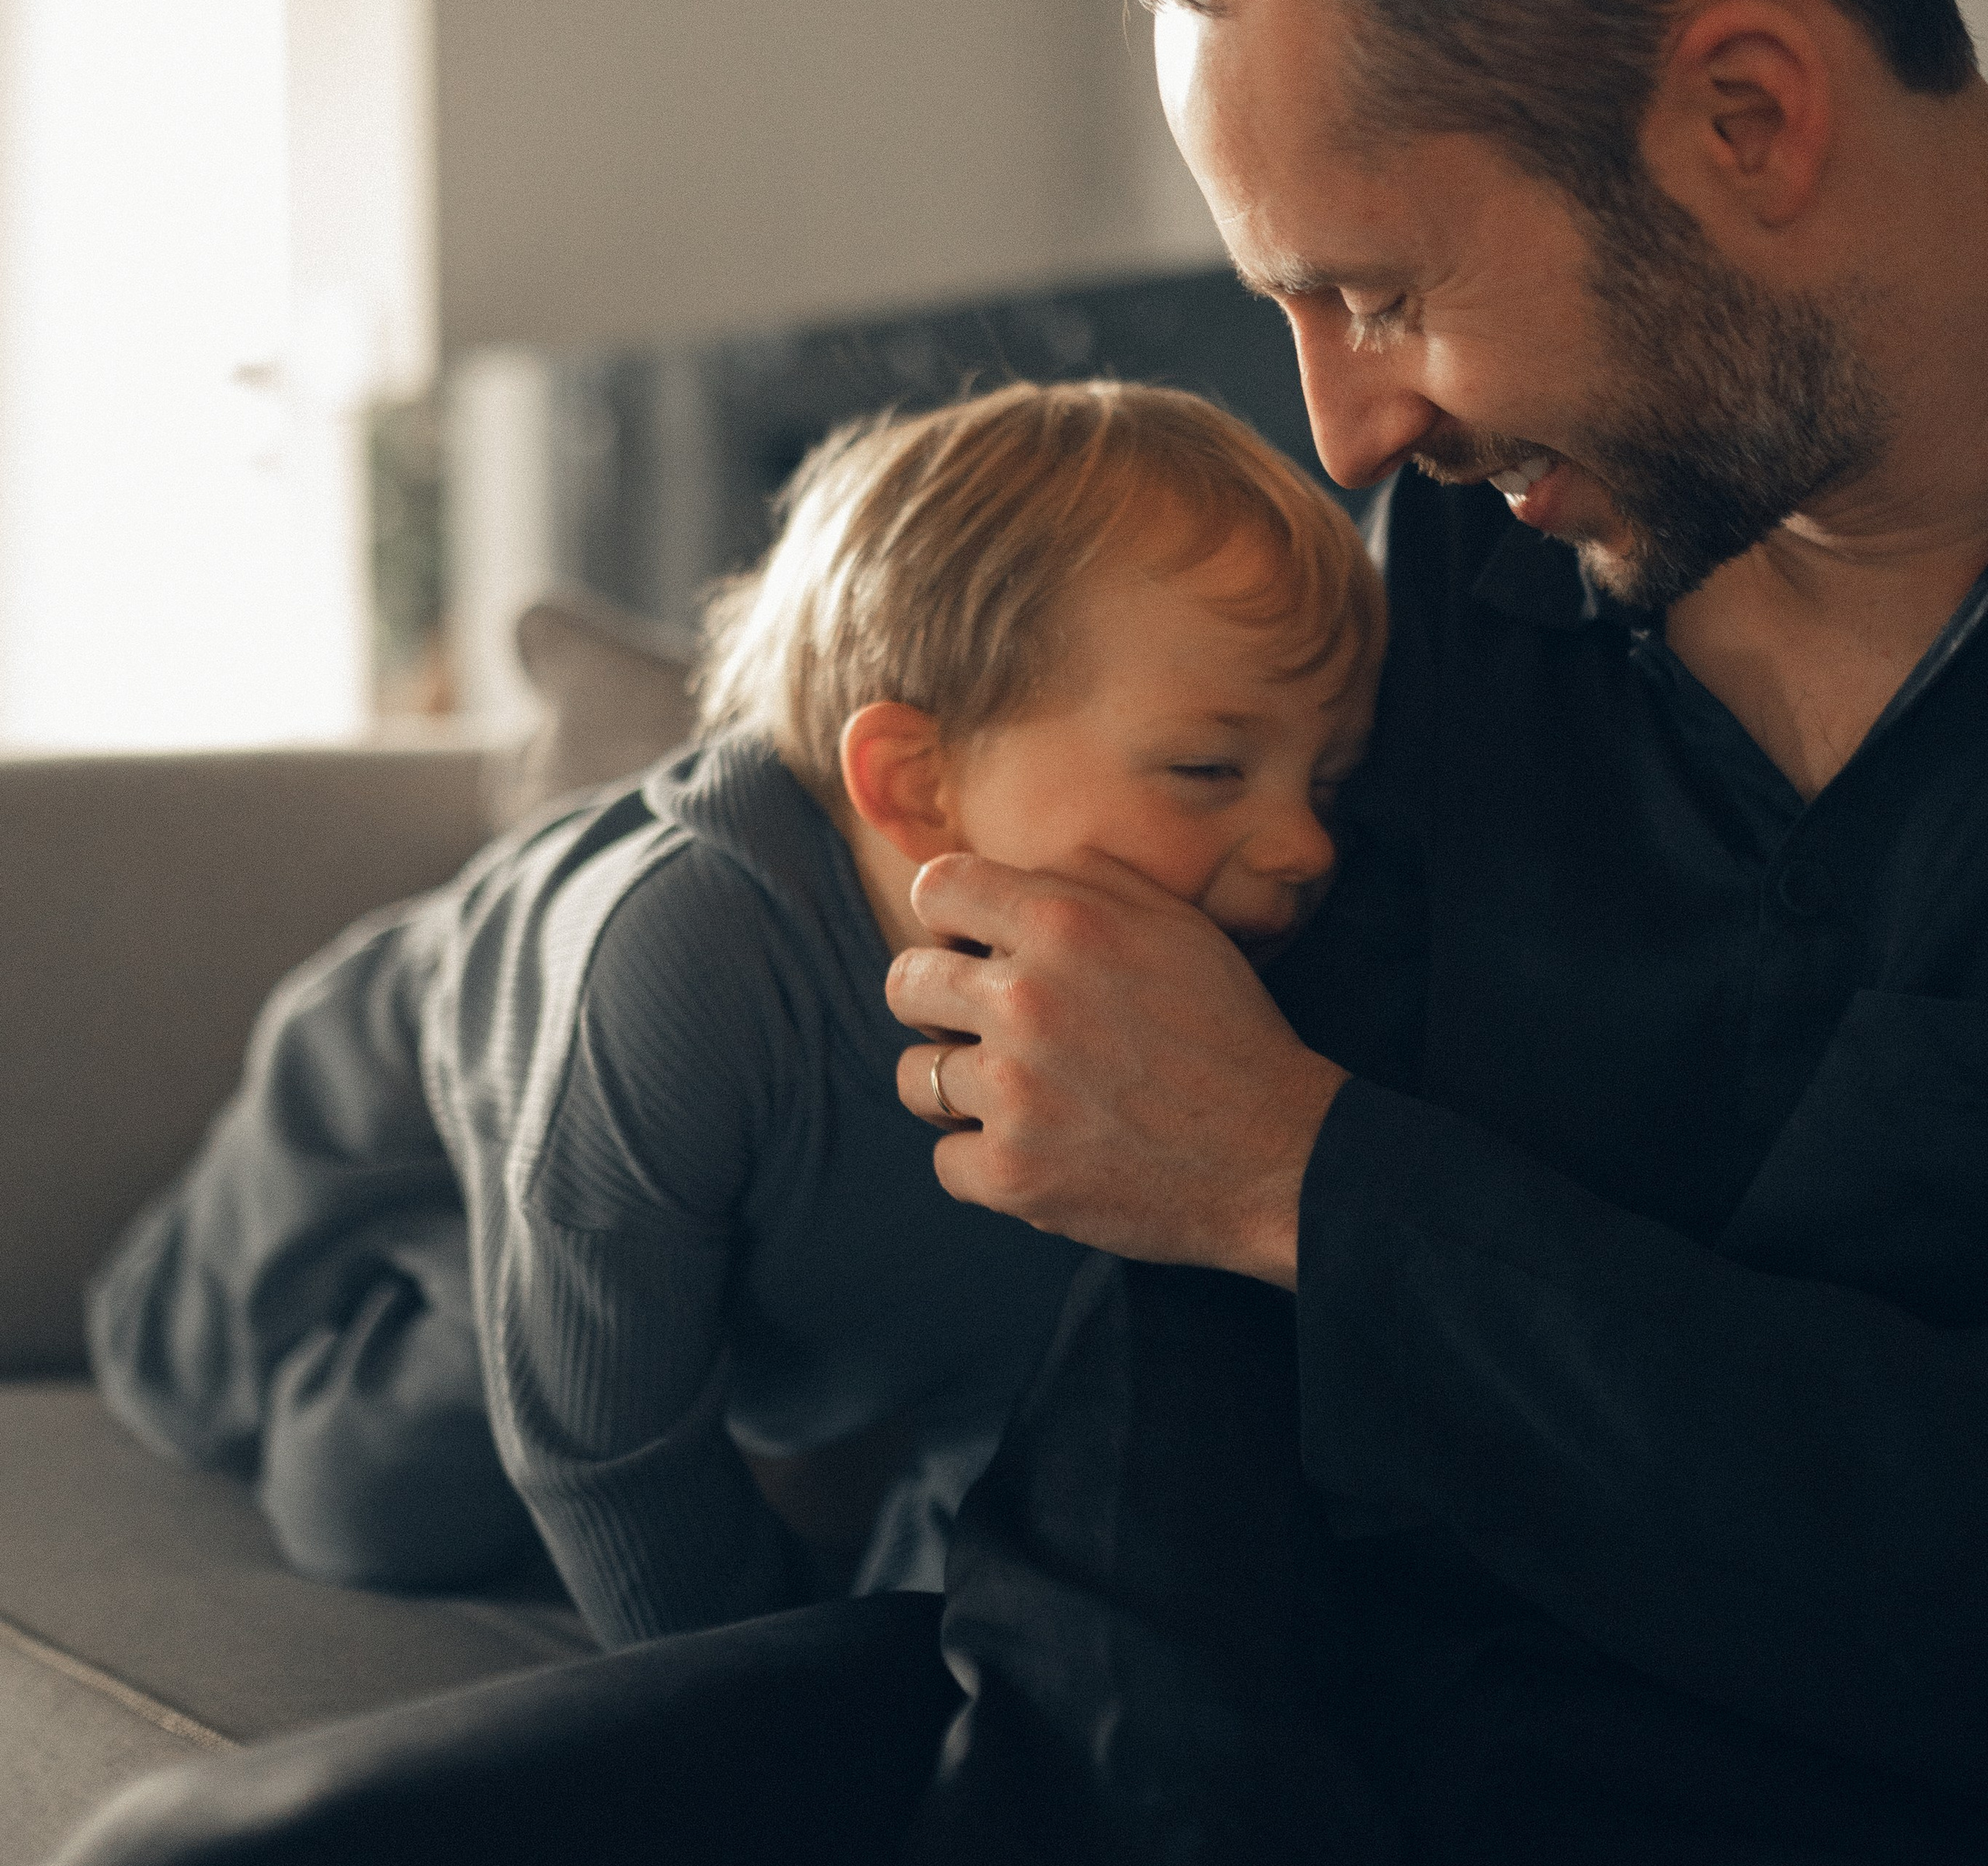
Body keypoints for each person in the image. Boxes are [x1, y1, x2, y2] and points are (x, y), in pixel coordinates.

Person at [2, 0, 1986, 1866]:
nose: (1347, 426)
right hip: (1286, 1750)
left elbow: (1268, 1193)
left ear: (1744, 113)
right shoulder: (1498, 581)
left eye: (1382, 289)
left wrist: (1310, 1181)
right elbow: (1165, 1299)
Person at [85, 380, 1379, 1641]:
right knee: (374, 1506)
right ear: (916, 783)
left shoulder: (1183, 1004)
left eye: (1328, 775)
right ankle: (263, 1304)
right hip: (415, 1119)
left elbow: (1019, 1412)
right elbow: (606, 1446)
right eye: (1210, 768)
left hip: (728, 1213)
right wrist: (742, 1687)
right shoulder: (677, 961)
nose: (1304, 844)